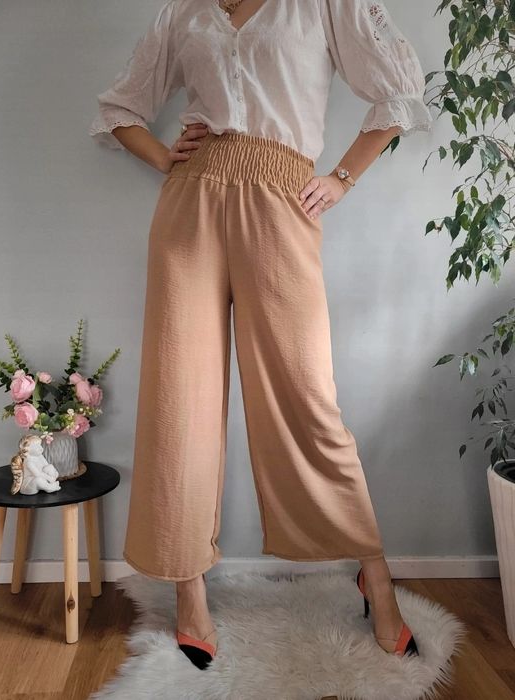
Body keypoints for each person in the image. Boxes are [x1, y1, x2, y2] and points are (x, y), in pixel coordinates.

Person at [89, 0, 433, 670]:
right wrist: (164, 157)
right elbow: (119, 108)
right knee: (179, 400)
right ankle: (189, 589)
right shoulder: (184, 13)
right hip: (189, 206)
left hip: (282, 200)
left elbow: (398, 89)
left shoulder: (320, 4)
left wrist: (343, 177)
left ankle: (375, 574)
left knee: (309, 397)